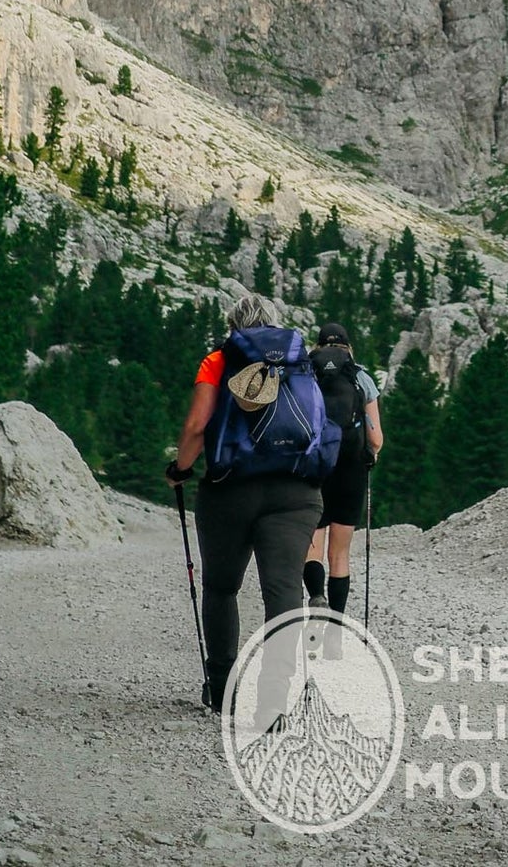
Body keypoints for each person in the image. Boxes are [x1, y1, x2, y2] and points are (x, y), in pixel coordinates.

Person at [165, 294, 325, 715]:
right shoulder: (298, 361)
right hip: (296, 491)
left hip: (230, 489)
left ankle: (223, 692)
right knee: (284, 591)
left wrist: (180, 469)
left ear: (234, 326)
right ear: (274, 324)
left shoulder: (219, 360)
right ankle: (273, 703)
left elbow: (198, 426)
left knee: (221, 587)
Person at [303, 321, 383, 649]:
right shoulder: (360, 377)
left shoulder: (306, 373)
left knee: (313, 546)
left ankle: (316, 597)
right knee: (340, 552)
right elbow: (376, 437)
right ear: (348, 347)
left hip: (314, 467)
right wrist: (370, 454)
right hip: (350, 469)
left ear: (319, 346)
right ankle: (335, 631)